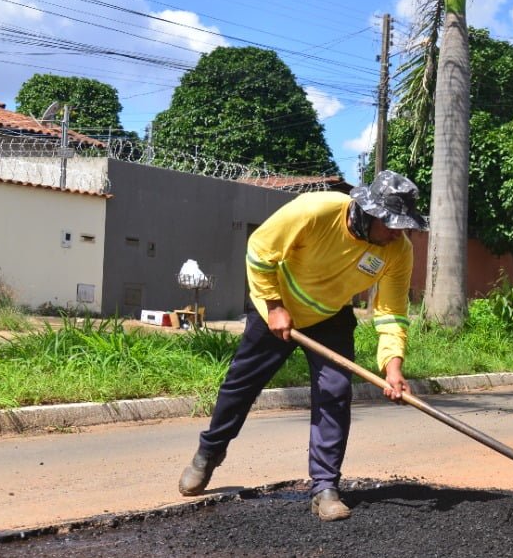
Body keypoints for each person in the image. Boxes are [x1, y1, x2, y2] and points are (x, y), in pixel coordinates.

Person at [177, 170, 422, 521]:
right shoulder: (315, 211)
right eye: (391, 224)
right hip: (276, 308)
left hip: (330, 317)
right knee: (240, 386)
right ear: (368, 211)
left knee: (335, 394)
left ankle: (325, 488)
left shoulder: (397, 251)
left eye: (403, 226)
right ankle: (208, 453)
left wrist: (393, 367)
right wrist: (275, 307)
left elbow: (391, 313)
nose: (398, 233)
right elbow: (261, 252)